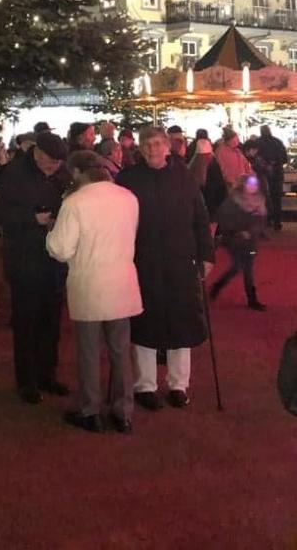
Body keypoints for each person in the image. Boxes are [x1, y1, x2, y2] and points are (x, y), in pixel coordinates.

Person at [116, 127, 214, 410]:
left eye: (157, 144)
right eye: (147, 145)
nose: (152, 150)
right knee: (146, 323)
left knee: (180, 322)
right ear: (139, 148)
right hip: (142, 260)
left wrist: (206, 254)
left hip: (179, 260)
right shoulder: (128, 179)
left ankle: (178, 384)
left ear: (168, 147)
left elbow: (200, 217)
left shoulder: (184, 177)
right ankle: (145, 385)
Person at [47, 151, 142, 434]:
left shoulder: (75, 202)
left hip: (89, 283)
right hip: (122, 281)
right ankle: (123, 411)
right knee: (120, 351)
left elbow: (60, 248)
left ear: (76, 173)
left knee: (88, 352)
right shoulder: (128, 198)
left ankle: (91, 410)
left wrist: (51, 231)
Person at [0, 131, 71, 404]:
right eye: (50, 162)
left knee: (51, 322)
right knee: (26, 323)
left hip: (54, 258)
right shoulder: (14, 173)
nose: (54, 168)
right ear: (36, 153)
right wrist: (31, 218)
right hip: (25, 257)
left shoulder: (61, 173)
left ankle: (47, 374)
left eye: (58, 164)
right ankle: (26, 380)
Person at [210, 174, 268, 311]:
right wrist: (238, 231)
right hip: (234, 241)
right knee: (240, 266)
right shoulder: (233, 201)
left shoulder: (258, 201)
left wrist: (252, 231)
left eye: (255, 184)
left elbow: (260, 221)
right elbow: (223, 219)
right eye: (250, 184)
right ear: (243, 185)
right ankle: (250, 298)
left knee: (244, 268)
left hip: (249, 241)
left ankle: (249, 297)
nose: (253, 187)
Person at [256, 124, 289, 231]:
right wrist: (275, 163)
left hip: (263, 174)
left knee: (264, 198)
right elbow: (285, 159)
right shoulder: (278, 142)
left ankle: (267, 220)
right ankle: (277, 222)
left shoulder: (258, 143)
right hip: (277, 174)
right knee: (276, 199)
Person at [188, 138, 227, 215]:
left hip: (204, 207)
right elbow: (220, 186)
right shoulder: (213, 164)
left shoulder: (193, 165)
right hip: (210, 206)